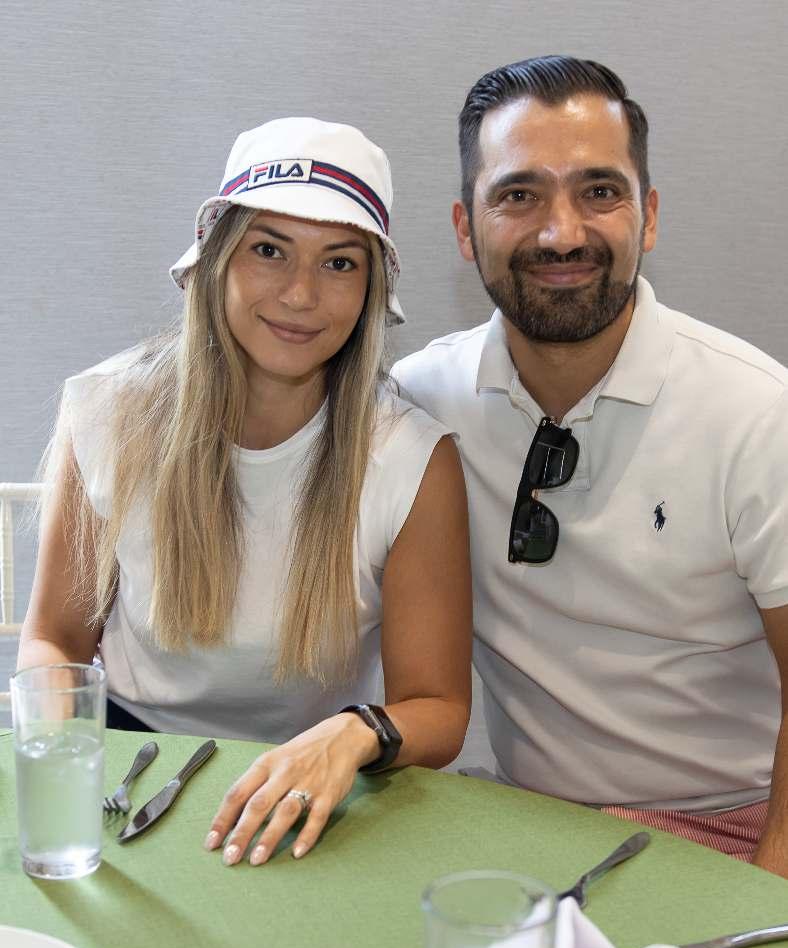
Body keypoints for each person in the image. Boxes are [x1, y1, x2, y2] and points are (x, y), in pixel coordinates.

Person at [19, 117, 472, 866]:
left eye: (339, 262)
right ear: (217, 259)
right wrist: (63, 754)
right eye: (269, 250)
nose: (300, 294)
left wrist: (355, 734)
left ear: (370, 290)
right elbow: (56, 642)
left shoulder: (413, 458)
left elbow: (439, 708)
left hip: (320, 777)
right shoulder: (106, 413)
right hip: (127, 761)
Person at [392, 56, 788, 879]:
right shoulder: (422, 402)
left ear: (648, 216)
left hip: (735, 826)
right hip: (526, 821)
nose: (562, 233)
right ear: (465, 228)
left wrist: (766, 900)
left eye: (599, 191)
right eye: (519, 195)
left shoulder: (758, 414)